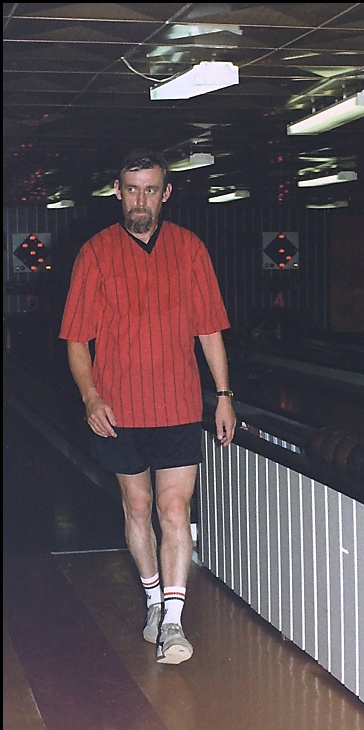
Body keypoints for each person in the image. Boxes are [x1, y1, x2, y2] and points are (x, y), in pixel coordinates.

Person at [59, 149, 236, 665]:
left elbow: (209, 330)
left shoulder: (191, 249)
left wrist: (224, 396)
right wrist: (91, 396)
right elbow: (77, 340)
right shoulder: (95, 254)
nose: (141, 199)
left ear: (166, 193)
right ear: (117, 192)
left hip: (178, 404)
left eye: (150, 189)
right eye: (132, 189)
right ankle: (154, 601)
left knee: (174, 509)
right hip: (119, 410)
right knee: (137, 508)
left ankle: (174, 623)